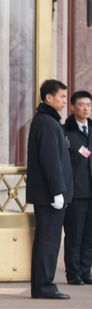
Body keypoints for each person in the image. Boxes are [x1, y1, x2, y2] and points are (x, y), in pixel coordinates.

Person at [27, 79, 73, 300]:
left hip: (50, 194)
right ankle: (44, 285)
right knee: (49, 240)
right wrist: (57, 191)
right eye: (62, 97)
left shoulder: (50, 121)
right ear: (48, 98)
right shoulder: (46, 122)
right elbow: (50, 160)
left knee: (48, 240)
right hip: (49, 195)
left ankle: (42, 284)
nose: (65, 101)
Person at [62, 90, 92, 285]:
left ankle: (85, 270)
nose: (85, 108)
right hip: (76, 191)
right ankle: (73, 273)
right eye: (81, 105)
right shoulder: (65, 132)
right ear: (72, 107)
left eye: (88, 105)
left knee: (89, 235)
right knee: (74, 234)